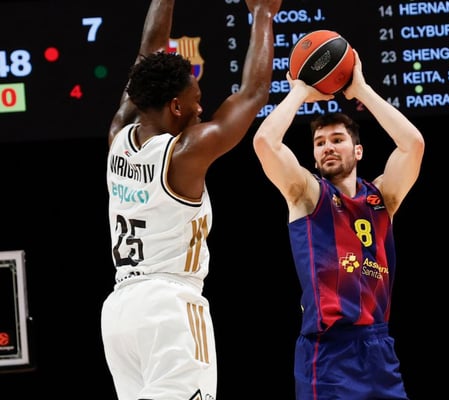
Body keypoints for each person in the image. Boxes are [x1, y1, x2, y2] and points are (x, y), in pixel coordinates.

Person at [101, 0, 281, 399]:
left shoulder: (119, 133)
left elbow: (147, 53)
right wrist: (263, 13)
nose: (201, 107)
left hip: (119, 311)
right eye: (196, 99)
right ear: (175, 106)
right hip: (170, 305)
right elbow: (253, 94)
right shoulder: (183, 152)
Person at [253, 50, 425, 400]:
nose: (327, 147)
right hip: (328, 351)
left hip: (378, 347)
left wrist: (361, 90)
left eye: (337, 140)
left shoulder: (383, 197)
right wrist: (300, 91)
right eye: (319, 143)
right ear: (314, 157)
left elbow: (413, 145)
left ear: (358, 151)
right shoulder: (306, 194)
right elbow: (265, 143)